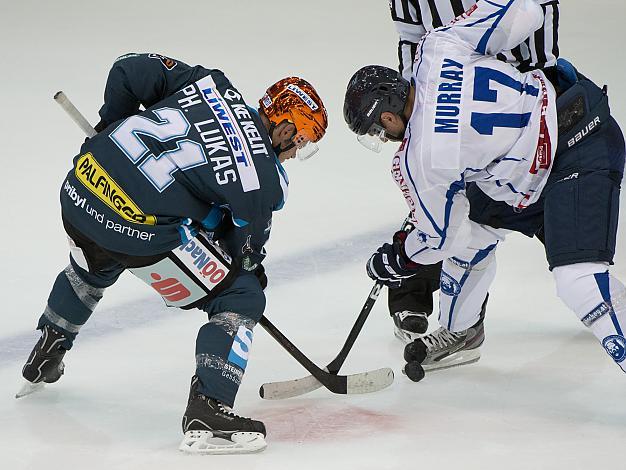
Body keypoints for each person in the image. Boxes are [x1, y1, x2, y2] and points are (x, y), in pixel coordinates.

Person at [17, 52, 328, 454]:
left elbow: (130, 68)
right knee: (241, 294)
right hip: (137, 231)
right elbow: (243, 254)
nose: (293, 154)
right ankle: (209, 409)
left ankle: (49, 345)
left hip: (81, 189)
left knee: (93, 263)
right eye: (300, 142)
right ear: (285, 129)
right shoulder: (265, 177)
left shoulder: (212, 84)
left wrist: (111, 125)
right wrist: (250, 267)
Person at [343, 0, 625, 377]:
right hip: (568, 117)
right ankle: (462, 332)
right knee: (471, 233)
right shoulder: (437, 47)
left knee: (578, 281)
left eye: (378, 130)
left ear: (388, 115)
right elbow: (526, 12)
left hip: (576, 152)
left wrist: (396, 258)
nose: (384, 137)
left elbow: (437, 238)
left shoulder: (423, 159)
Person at [386, 0, 560, 344]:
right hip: (446, 98)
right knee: (433, 210)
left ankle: (583, 269)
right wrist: (416, 113)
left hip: (505, 90)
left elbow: (534, 7)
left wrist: (542, 64)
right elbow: (409, 35)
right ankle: (416, 300)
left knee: (548, 206)